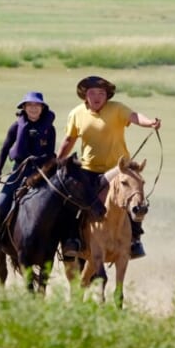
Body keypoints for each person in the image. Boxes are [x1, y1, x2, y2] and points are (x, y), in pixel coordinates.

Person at [56, 76, 161, 259]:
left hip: (118, 169)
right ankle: (72, 239)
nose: (97, 97)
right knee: (72, 199)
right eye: (92, 93)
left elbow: (135, 117)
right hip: (88, 170)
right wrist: (57, 161)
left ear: (107, 96)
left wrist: (150, 122)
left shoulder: (117, 109)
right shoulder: (76, 113)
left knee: (131, 196)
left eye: (101, 93)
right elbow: (69, 140)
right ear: (85, 95)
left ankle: (134, 239)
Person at [0, 92, 56, 256]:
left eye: (37, 105)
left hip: (40, 173)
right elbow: (4, 149)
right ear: (24, 107)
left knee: (61, 202)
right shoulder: (16, 127)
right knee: (1, 204)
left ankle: (65, 242)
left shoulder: (49, 129)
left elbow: (50, 152)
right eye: (29, 105)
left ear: (42, 108)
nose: (33, 108)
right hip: (19, 172)